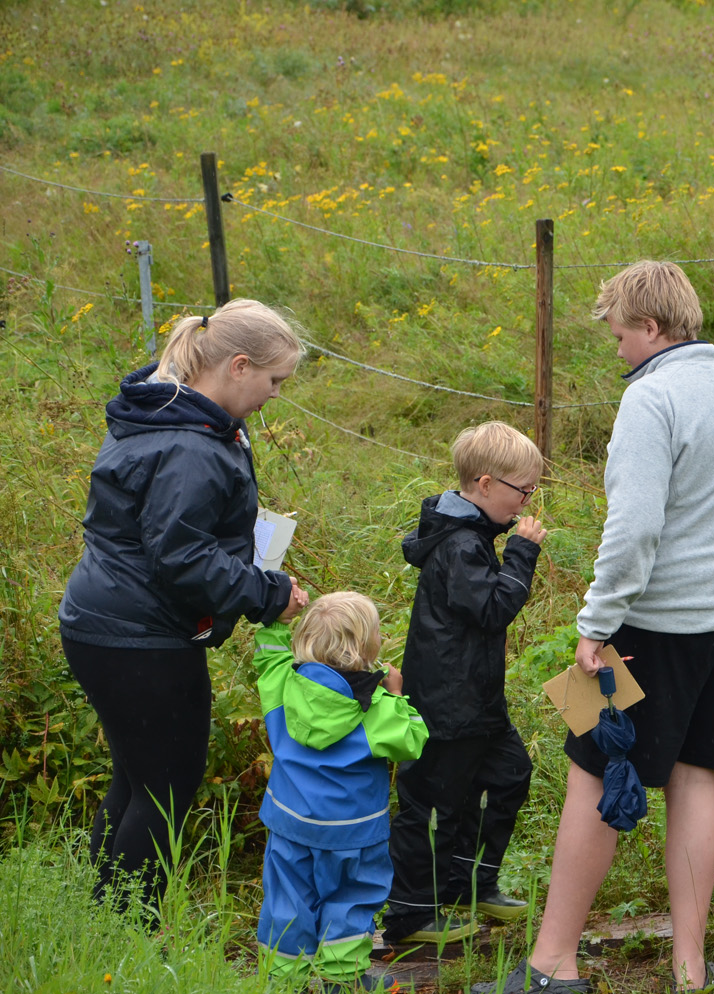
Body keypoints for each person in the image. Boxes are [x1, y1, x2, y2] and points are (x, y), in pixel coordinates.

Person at [486, 261, 714, 994]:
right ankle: (690, 969)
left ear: (654, 328)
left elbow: (633, 531)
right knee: (699, 778)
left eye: (622, 333)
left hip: (649, 627)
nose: (618, 349)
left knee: (589, 774)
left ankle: (551, 967)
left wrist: (594, 625)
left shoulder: (650, 399)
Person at [58, 299, 310, 911]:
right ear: (239, 366)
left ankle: (104, 921)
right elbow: (183, 557)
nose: (276, 394)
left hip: (108, 620)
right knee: (165, 789)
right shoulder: (190, 447)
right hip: (139, 633)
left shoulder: (172, 416)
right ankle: (130, 927)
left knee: (137, 778)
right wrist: (268, 593)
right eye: (274, 381)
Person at [383, 421, 548, 945]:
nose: (526, 502)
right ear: (483, 484)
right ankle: (410, 914)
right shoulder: (461, 545)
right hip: (447, 702)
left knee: (509, 774)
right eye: (521, 490)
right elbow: (493, 609)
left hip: (477, 700)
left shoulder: (474, 534)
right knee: (434, 803)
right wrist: (522, 555)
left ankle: (468, 882)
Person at [253, 591, 428, 992]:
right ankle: (340, 979)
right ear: (368, 646)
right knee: (351, 899)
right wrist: (397, 693)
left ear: (306, 637)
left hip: (290, 822)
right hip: (354, 831)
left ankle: (283, 980)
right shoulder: (376, 705)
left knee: (287, 901)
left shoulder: (283, 683)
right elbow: (413, 740)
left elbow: (268, 653)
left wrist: (277, 617)